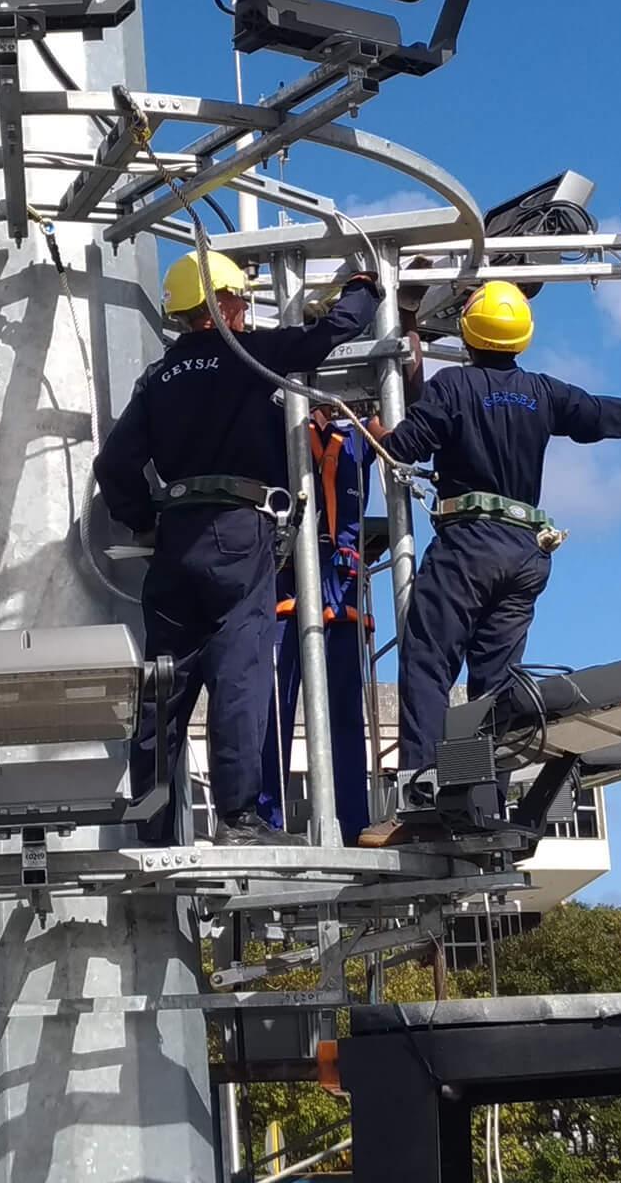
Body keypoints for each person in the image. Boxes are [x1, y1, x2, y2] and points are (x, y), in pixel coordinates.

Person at [356, 279, 621, 847]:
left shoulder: (454, 386)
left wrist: (375, 431)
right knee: (493, 684)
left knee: (428, 665)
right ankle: (479, 802)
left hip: (470, 546)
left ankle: (420, 805)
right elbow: (615, 416)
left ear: (467, 334)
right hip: (527, 551)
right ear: (523, 338)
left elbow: (406, 445)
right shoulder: (542, 392)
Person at [94, 249, 383, 846]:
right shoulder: (252, 353)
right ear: (222, 304)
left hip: (176, 537)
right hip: (237, 529)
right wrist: (365, 285)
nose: (246, 309)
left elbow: (113, 463)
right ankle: (239, 820)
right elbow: (336, 329)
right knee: (239, 674)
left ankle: (147, 822)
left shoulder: (158, 379)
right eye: (240, 300)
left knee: (164, 682)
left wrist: (144, 522)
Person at [259, 407, 374, 841]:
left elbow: (407, 418)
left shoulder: (359, 433)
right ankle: (265, 817)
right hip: (283, 571)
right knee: (273, 706)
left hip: (340, 576)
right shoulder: (277, 422)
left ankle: (353, 823)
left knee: (344, 711)